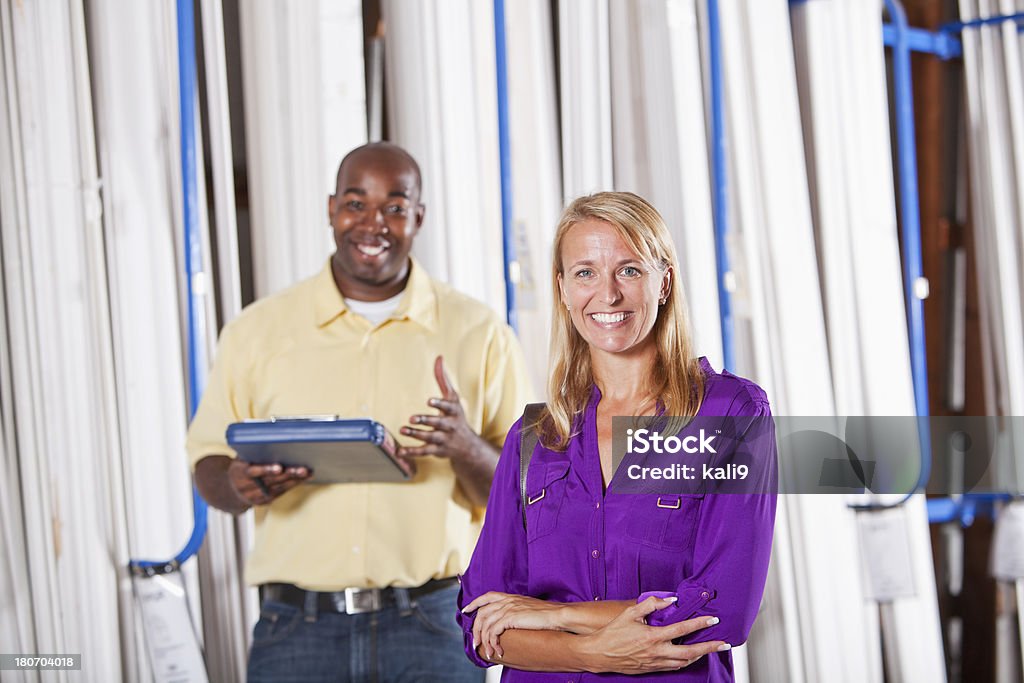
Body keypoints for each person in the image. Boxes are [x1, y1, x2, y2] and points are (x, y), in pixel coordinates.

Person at [187, 142, 531, 682]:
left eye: (395, 207)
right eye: (356, 203)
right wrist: (238, 483)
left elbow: (529, 500)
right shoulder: (257, 331)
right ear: (331, 210)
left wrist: (465, 445)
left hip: (435, 625)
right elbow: (208, 463)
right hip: (296, 630)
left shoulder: (479, 334)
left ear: (418, 217)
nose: (374, 223)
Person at [456, 192, 777, 680]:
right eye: (585, 272)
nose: (607, 295)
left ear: (664, 282)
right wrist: (588, 654)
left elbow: (723, 608)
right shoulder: (536, 438)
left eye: (629, 270)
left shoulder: (729, 414)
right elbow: (482, 621)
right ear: (562, 289)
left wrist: (551, 615)